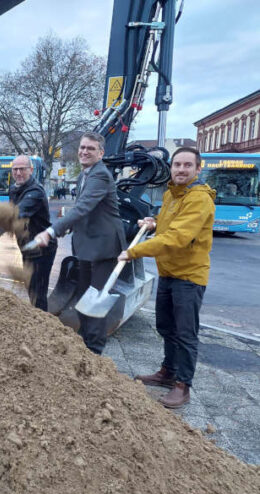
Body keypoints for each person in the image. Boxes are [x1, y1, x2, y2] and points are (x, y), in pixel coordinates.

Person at [119, 147, 215, 409]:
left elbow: (177, 237)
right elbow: (168, 226)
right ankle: (168, 372)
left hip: (189, 277)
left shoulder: (199, 199)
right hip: (169, 273)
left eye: (187, 165)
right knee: (166, 327)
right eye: (177, 165)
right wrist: (153, 222)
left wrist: (133, 252)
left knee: (185, 333)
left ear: (198, 169)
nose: (181, 170)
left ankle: (182, 386)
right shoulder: (172, 195)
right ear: (171, 168)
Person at [35, 132, 126, 354]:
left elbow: (83, 206)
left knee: (94, 303)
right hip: (87, 246)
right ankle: (86, 345)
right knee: (84, 299)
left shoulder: (100, 176)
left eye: (91, 149)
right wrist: (69, 227)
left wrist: (52, 230)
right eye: (82, 147)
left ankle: (94, 352)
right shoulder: (86, 174)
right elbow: (85, 211)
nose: (84, 152)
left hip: (103, 249)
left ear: (101, 153)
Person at [0, 155, 57, 310]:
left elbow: (16, 214)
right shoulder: (14, 189)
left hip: (42, 246)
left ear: (31, 170)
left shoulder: (35, 191)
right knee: (30, 286)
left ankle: (42, 324)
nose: (18, 173)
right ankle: (37, 317)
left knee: (37, 291)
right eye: (15, 169)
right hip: (26, 245)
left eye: (22, 169)